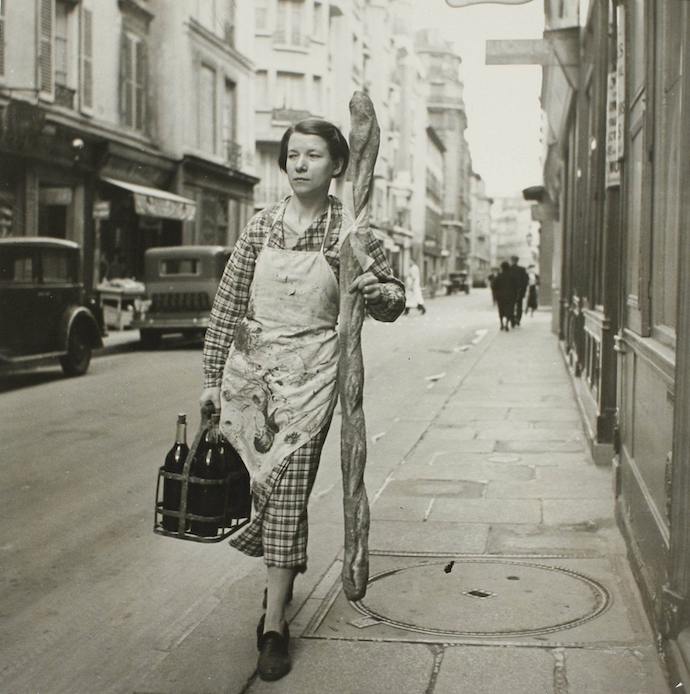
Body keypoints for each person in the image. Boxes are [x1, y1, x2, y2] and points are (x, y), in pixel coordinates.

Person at [199, 118, 405, 682]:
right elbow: (228, 303)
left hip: (313, 383)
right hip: (252, 381)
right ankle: (280, 584)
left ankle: (273, 628)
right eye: (293, 154)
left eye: (313, 155)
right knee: (259, 495)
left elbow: (393, 302)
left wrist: (376, 289)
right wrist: (213, 378)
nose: (300, 163)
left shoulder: (353, 230)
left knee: (288, 492)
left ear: (337, 165)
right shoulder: (261, 223)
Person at [492, 261, 518, 331]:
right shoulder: (512, 276)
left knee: (501, 310)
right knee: (509, 310)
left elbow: (494, 286)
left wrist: (495, 295)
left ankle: (501, 324)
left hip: (500, 296)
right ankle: (507, 324)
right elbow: (516, 286)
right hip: (510, 296)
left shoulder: (499, 276)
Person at [508, 255, 529, 326]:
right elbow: (525, 281)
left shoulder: (508, 269)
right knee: (519, 305)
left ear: (511, 260)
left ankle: (512, 319)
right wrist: (524, 290)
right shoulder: (522, 270)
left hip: (510, 291)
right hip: (520, 290)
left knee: (510, 305)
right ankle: (518, 319)